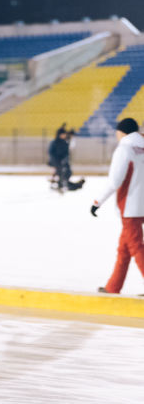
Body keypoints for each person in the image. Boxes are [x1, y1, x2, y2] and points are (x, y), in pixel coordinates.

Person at [91, 118, 144, 294]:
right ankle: (113, 287)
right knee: (124, 248)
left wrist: (97, 201)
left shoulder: (125, 149)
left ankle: (113, 287)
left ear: (122, 132)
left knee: (136, 246)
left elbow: (114, 181)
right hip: (141, 205)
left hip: (129, 206)